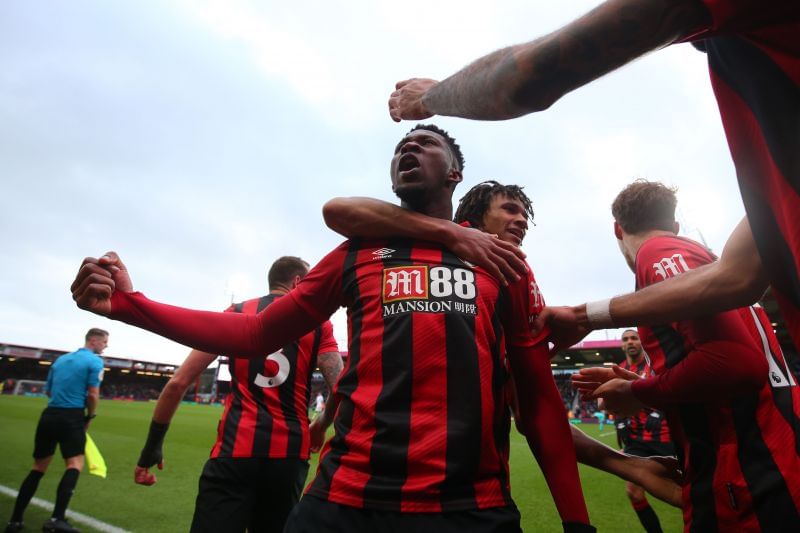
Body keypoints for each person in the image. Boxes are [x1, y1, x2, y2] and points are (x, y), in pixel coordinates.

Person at [70, 124, 595, 532]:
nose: (407, 148)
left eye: (425, 142)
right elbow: (254, 335)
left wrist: (576, 521)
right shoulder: (355, 253)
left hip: (469, 507)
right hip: (344, 501)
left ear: (455, 172)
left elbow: (540, 396)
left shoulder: (502, 264)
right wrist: (130, 306)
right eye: (400, 146)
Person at [386, 0, 800, 353]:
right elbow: (739, 275)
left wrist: (429, 97)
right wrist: (589, 316)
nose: (520, 222)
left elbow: (519, 79)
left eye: (522, 214)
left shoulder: (655, 253)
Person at [323, 181, 683, 508]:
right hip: (372, 473)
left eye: (525, 214)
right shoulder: (428, 252)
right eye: (510, 209)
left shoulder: (514, 271)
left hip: (470, 487)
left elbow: (519, 387)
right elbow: (339, 210)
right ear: (476, 216)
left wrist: (554, 344)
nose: (522, 219)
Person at [573, 180, 800, 531]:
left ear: (618, 229)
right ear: (674, 223)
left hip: (751, 475)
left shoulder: (658, 252)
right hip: (771, 459)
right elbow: (729, 386)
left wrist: (636, 393)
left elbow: (735, 365)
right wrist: (647, 389)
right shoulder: (710, 266)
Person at [133, 256, 343, 533]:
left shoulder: (237, 312)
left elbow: (177, 383)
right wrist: (321, 425)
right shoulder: (317, 323)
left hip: (234, 451)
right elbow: (341, 386)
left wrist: (152, 447)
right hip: (290, 456)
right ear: (298, 282)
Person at [5, 328, 107, 533]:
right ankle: (57, 519)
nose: (106, 346)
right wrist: (90, 416)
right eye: (104, 342)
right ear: (93, 341)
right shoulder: (95, 362)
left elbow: (49, 390)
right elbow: (93, 394)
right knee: (75, 463)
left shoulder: (60, 361)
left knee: (38, 467)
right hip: (71, 417)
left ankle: (15, 520)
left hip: (49, 415)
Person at [613, 330, 674, 533]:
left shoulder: (656, 363)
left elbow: (675, 387)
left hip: (663, 438)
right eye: (625, 339)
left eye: (633, 338)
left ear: (641, 341)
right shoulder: (620, 369)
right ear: (622, 345)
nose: (629, 342)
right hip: (635, 441)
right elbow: (613, 400)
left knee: (685, 491)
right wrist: (619, 422)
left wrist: (659, 412)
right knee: (634, 493)